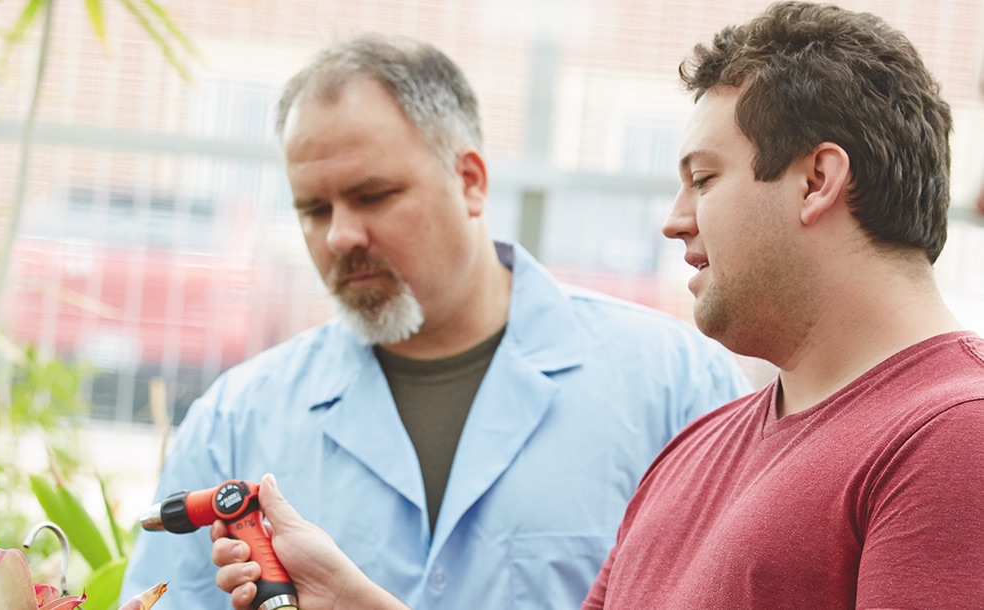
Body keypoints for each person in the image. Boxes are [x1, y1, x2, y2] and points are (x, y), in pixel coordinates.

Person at [211, 4, 984, 610]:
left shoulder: (952, 439)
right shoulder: (697, 450)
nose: (675, 217)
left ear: (817, 181)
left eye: (705, 179)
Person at [122, 34, 751, 609]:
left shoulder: (676, 388)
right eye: (314, 209)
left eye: (373, 195)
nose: (341, 235)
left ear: (470, 180)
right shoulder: (236, 421)